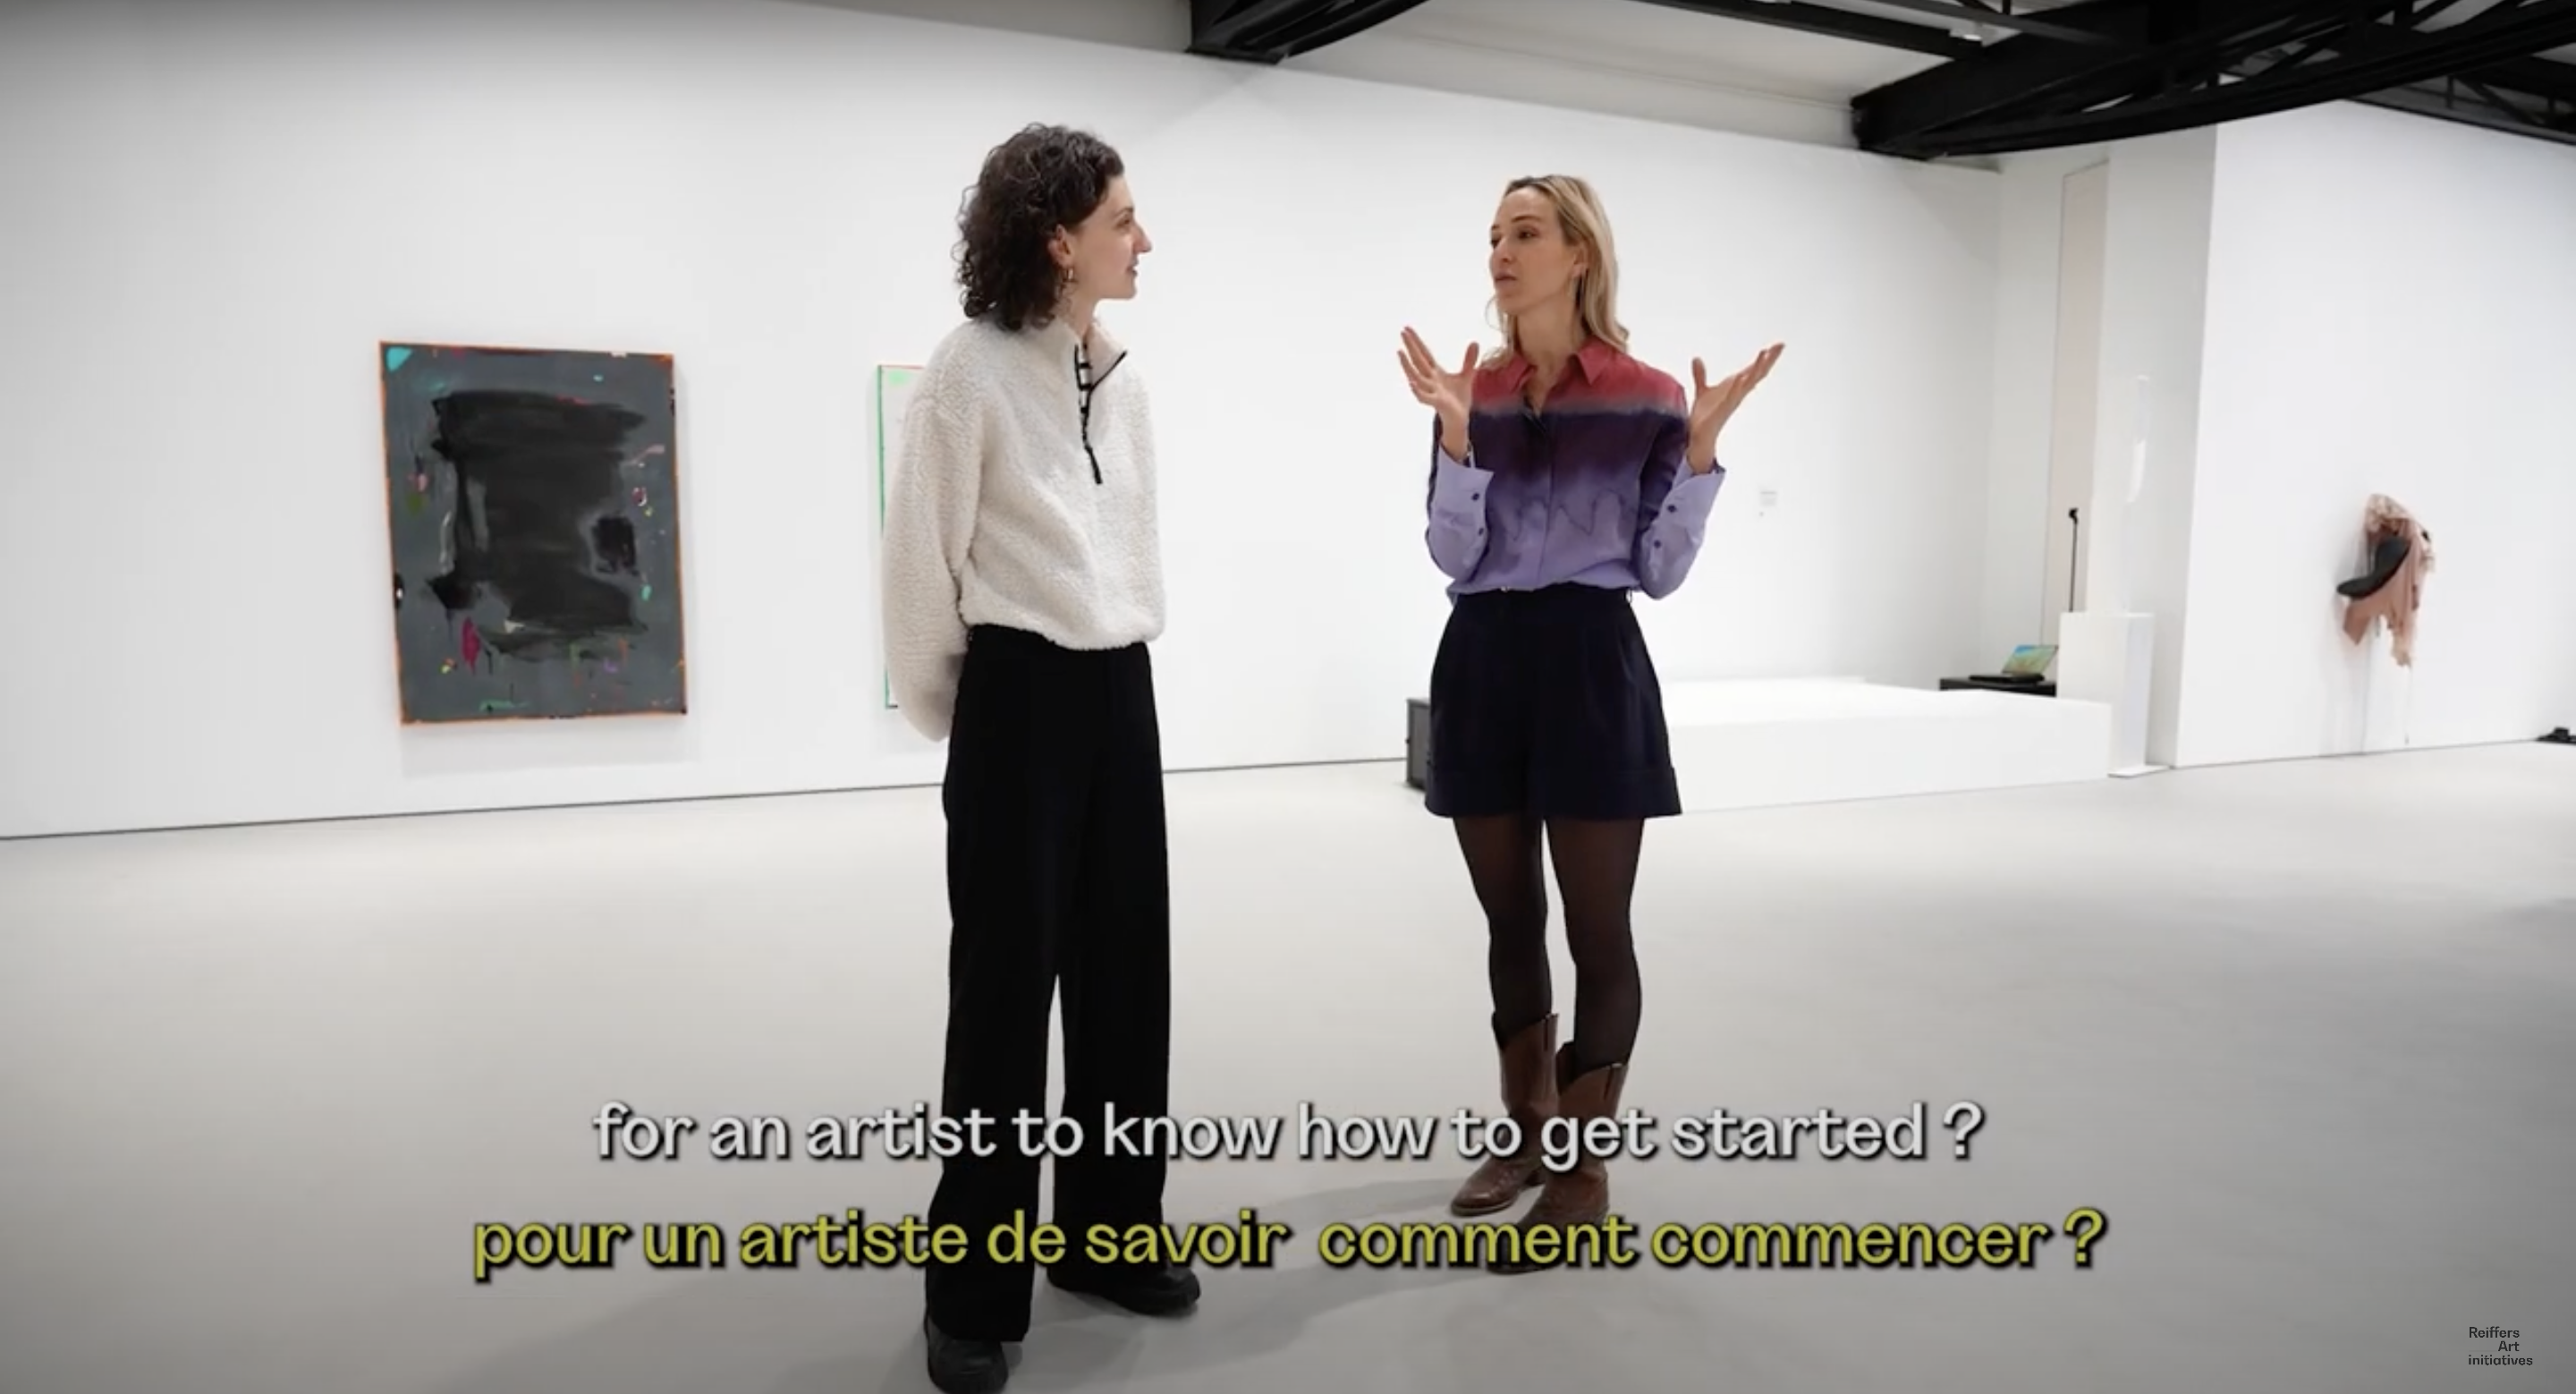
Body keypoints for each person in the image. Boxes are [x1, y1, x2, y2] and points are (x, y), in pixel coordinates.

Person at [1396, 173, 1782, 1272]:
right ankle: (1524, 1135)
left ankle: (1582, 1167)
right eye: (1494, 234)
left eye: (1525, 232)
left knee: (1598, 929)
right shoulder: (1471, 391)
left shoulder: (1649, 398)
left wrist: (1698, 453)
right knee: (1509, 920)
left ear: (1580, 254)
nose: (1501, 252)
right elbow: (1451, 552)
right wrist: (1458, 439)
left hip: (1591, 659)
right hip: (1484, 656)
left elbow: (1658, 569)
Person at [880, 123, 1197, 1394]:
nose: (1144, 239)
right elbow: (920, 563)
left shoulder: (1124, 378)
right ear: (1060, 239)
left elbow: (1133, 546)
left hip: (1122, 689)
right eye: (1123, 219)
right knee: (1005, 1000)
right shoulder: (965, 373)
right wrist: (957, 714)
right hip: (1017, 695)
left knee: (1127, 979)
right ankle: (972, 1290)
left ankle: (1110, 1234)